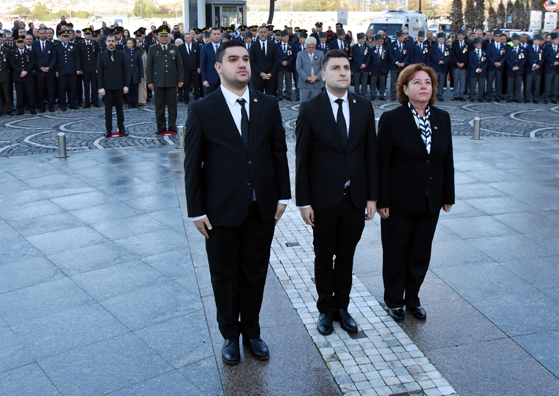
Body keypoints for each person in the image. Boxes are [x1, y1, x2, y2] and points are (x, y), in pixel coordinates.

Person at [184, 39, 290, 365]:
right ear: (219, 68)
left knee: (255, 273)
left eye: (245, 59)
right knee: (224, 275)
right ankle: (230, 334)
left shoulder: (267, 104)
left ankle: (252, 332)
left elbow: (278, 153)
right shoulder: (202, 109)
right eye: (233, 59)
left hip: (261, 209)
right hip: (220, 211)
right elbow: (193, 163)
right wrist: (196, 210)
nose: (242, 64)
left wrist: (283, 195)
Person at [295, 49, 378, 336]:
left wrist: (371, 197)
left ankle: (342, 307)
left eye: (346, 67)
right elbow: (302, 158)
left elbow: (370, 155)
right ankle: (325, 310)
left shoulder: (364, 107)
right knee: (323, 255)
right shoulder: (310, 109)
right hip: (323, 200)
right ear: (324, 73)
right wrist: (304, 201)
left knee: (346, 256)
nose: (343, 72)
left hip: (355, 199)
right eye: (336, 68)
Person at [376, 63, 455, 322]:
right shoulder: (391, 119)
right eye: (417, 82)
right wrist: (381, 200)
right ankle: (395, 299)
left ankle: (413, 298)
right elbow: (381, 162)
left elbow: (446, 160)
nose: (424, 87)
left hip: (430, 200)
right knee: (397, 251)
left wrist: (447, 195)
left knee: (421, 252)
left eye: (428, 83)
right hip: (398, 201)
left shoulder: (441, 118)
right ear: (405, 88)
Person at [146, 25, 184, 134]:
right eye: (162, 36)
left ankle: (172, 125)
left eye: (166, 36)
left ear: (169, 37)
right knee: (159, 106)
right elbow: (149, 67)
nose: (164, 38)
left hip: (172, 80)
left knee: (172, 106)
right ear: (158, 37)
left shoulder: (174, 48)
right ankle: (161, 126)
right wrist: (150, 81)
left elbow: (179, 65)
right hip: (158, 81)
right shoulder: (153, 49)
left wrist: (180, 79)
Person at [97, 35, 129, 137]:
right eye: (109, 41)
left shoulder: (121, 55)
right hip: (107, 87)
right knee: (108, 110)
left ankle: (121, 128)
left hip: (119, 85)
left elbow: (125, 71)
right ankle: (108, 129)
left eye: (113, 41)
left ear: (116, 42)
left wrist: (126, 85)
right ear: (106, 43)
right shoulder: (101, 56)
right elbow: (100, 72)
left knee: (120, 108)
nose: (111, 43)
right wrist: (101, 87)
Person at [54, 30, 82, 111]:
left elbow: (77, 58)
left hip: (72, 70)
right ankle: (63, 104)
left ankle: (73, 103)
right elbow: (56, 59)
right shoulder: (57, 46)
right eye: (64, 36)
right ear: (61, 37)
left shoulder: (73, 46)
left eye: (67, 36)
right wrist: (56, 70)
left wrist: (78, 69)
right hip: (61, 70)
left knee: (72, 88)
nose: (66, 38)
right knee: (62, 89)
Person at [9, 34, 37, 115]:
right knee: (19, 93)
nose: (21, 43)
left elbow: (32, 63)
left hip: (28, 75)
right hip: (18, 76)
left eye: (22, 42)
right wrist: (20, 71)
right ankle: (20, 108)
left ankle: (32, 107)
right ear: (16, 43)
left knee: (30, 93)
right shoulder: (13, 52)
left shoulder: (29, 52)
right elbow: (12, 64)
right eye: (19, 42)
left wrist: (26, 71)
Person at [250, 25, 278, 95]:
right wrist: (260, 73)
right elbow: (251, 62)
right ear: (258, 33)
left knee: (271, 99)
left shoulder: (272, 46)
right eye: (261, 32)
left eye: (264, 32)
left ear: (267, 33)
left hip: (270, 78)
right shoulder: (253, 46)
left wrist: (270, 73)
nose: (262, 34)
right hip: (257, 78)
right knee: (257, 99)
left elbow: (276, 61)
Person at [295, 36, 325, 102]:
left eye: (313, 47)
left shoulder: (320, 54)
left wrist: (317, 77)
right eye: (309, 47)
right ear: (306, 46)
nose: (311, 49)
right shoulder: (300, 54)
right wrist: (306, 78)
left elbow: (323, 67)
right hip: (304, 84)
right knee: (304, 104)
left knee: (316, 104)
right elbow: (299, 68)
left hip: (317, 84)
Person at [79, 28, 101, 108]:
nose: (88, 35)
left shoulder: (94, 43)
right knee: (86, 86)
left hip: (93, 68)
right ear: (84, 35)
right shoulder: (80, 44)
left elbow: (98, 56)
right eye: (86, 34)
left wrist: (97, 67)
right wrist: (80, 68)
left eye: (89, 34)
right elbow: (79, 57)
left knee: (94, 86)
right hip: (85, 68)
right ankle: (87, 102)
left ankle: (95, 101)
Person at [178, 31, 201, 103]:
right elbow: (179, 59)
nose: (188, 39)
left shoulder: (196, 46)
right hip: (185, 69)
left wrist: (199, 67)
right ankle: (186, 99)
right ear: (184, 39)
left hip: (194, 68)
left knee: (196, 84)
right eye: (187, 38)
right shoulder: (181, 47)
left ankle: (196, 98)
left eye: (189, 38)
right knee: (186, 85)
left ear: (192, 38)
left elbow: (199, 57)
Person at [388, 30, 410, 101]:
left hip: (403, 66)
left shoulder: (406, 44)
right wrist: (397, 62)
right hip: (394, 66)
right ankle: (393, 95)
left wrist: (404, 62)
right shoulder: (392, 45)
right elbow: (391, 55)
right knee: (394, 81)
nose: (403, 38)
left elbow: (407, 54)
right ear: (398, 37)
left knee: (403, 81)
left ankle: (402, 94)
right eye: (402, 36)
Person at [199, 27, 222, 94]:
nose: (216, 36)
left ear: (221, 35)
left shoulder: (225, 47)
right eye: (214, 34)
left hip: (223, 78)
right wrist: (204, 79)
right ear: (211, 36)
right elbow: (202, 64)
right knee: (211, 100)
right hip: (210, 79)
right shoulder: (205, 48)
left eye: (218, 34)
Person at [487, 30, 507, 102]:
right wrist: (494, 62)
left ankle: (497, 95)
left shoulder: (503, 46)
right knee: (490, 81)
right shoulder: (490, 45)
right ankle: (489, 96)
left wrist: (500, 62)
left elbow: (505, 56)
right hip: (491, 66)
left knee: (498, 82)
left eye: (499, 36)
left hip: (499, 67)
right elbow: (488, 55)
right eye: (496, 36)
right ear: (494, 37)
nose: (498, 37)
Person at [505, 33, 526, 102]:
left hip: (519, 69)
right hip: (511, 69)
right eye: (514, 40)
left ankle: (517, 96)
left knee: (518, 83)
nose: (515, 41)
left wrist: (519, 67)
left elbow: (524, 59)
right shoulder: (509, 49)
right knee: (510, 84)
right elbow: (507, 59)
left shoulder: (523, 49)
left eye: (517, 40)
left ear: (519, 41)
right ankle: (510, 96)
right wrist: (512, 66)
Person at [124, 38, 144, 109]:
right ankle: (129, 102)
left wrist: (141, 74)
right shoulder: (124, 52)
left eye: (130, 43)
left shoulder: (137, 52)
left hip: (135, 73)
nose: (128, 44)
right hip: (127, 73)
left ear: (133, 44)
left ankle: (135, 102)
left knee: (135, 89)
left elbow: (140, 64)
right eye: (127, 43)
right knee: (128, 89)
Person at [350, 32, 371, 97]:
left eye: (364, 39)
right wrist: (360, 64)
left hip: (365, 67)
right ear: (358, 40)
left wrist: (365, 64)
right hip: (357, 67)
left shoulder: (367, 47)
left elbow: (369, 56)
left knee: (364, 80)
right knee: (356, 80)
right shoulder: (354, 47)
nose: (363, 40)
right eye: (362, 39)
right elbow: (354, 57)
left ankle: (363, 92)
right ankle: (356, 92)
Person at [276, 30, 295, 101]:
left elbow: (292, 55)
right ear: (282, 37)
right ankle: (280, 94)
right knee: (279, 81)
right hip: (280, 66)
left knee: (288, 81)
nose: (287, 38)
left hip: (288, 66)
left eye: (288, 37)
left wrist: (288, 62)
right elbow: (276, 56)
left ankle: (288, 94)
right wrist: (281, 62)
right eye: (286, 37)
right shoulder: (277, 45)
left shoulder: (291, 45)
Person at [467, 37, 487, 102]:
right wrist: (476, 69)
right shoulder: (471, 52)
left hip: (482, 72)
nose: (479, 45)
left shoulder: (484, 52)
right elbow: (470, 62)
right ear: (475, 45)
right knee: (472, 85)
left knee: (481, 85)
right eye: (477, 44)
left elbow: (486, 62)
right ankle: (472, 96)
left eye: (480, 44)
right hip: (473, 71)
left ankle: (480, 97)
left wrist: (482, 69)